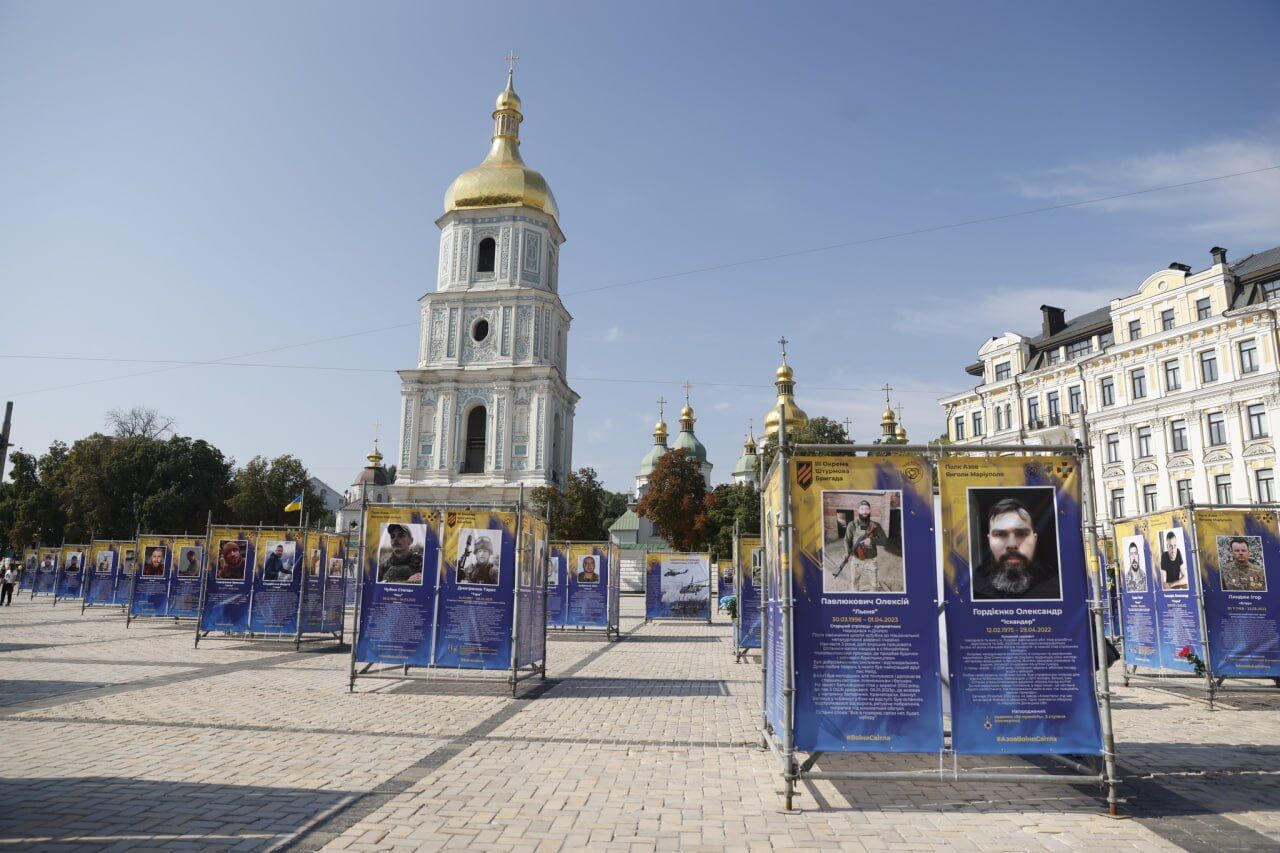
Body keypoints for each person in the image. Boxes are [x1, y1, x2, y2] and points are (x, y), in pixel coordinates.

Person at [972, 497, 1061, 600]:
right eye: (1000, 534)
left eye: (1021, 534)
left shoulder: (1058, 589)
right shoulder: (972, 590)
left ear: (1035, 539)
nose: (1012, 544)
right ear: (989, 540)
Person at [834, 500, 888, 592]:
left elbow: (885, 541)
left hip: (871, 561)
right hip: (856, 560)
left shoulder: (875, 526)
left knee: (874, 585)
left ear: (870, 511)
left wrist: (872, 540)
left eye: (867, 509)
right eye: (862, 509)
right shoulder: (852, 525)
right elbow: (847, 540)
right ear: (858, 511)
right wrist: (847, 552)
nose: (864, 511)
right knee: (854, 583)